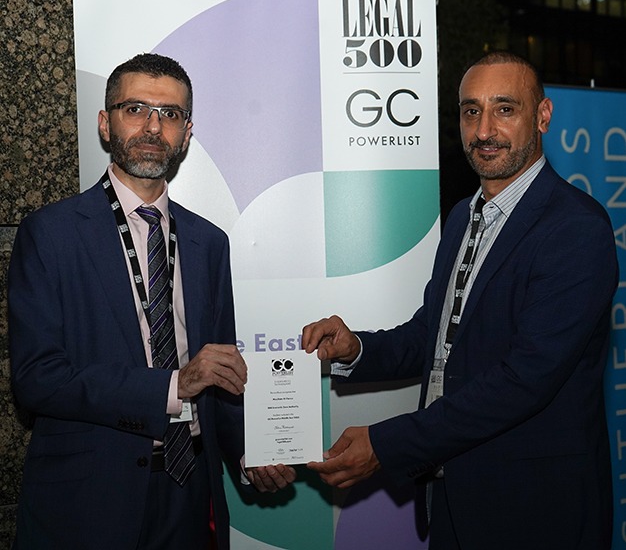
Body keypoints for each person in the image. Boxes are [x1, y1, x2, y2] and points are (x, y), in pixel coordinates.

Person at [302, 51, 618, 550]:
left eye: (504, 109)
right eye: (472, 111)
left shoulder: (576, 228)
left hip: (535, 509)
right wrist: (357, 348)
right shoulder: (461, 218)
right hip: (451, 493)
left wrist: (387, 444)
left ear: (542, 116)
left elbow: (524, 380)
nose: (484, 129)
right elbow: (436, 334)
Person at [9, 53, 295, 550]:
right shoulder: (50, 234)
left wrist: (251, 452)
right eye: (135, 108)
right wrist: (172, 385)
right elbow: (37, 379)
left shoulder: (209, 242)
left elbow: (220, 372)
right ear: (105, 123)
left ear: (186, 134)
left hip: (190, 497)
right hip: (88, 503)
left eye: (170, 114)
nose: (152, 126)